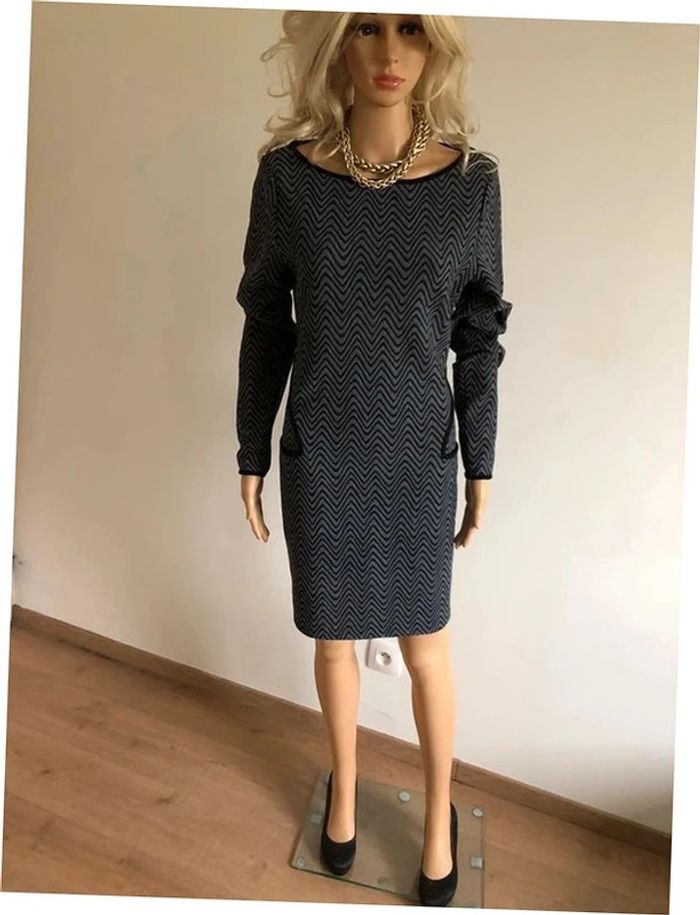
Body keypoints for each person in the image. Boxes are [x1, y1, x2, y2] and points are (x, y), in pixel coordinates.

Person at [234, 11, 513, 907]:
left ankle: (436, 822)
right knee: (333, 638)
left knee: (426, 644)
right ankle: (346, 796)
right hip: (323, 448)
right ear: (335, 45)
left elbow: (479, 337)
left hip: (419, 455)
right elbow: (266, 322)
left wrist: (481, 461)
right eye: (365, 28)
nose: (390, 54)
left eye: (411, 29)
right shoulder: (287, 180)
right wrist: (250, 447)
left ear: (437, 46)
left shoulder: (471, 185)